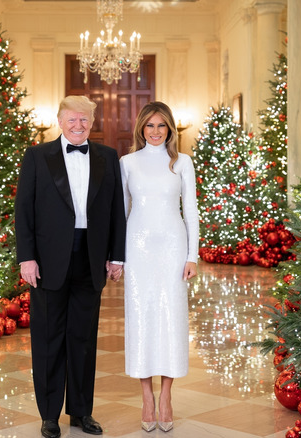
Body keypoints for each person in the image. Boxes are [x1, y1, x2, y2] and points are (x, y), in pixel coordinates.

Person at [15, 95, 127, 438]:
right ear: (60, 121)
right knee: (49, 339)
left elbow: (116, 210)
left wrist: (117, 254)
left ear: (92, 123)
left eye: (84, 120)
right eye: (71, 120)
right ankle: (49, 416)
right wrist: (26, 257)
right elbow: (24, 210)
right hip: (47, 261)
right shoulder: (37, 156)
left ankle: (81, 412)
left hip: (91, 258)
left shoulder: (109, 157)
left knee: (82, 339)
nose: (78, 126)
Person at [119, 101, 198, 433]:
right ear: (141, 128)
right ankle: (146, 397)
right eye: (149, 126)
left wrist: (192, 255)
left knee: (170, 319)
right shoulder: (126, 163)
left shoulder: (182, 163)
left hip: (173, 248)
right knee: (141, 319)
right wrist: (117, 257)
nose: (155, 132)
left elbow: (191, 211)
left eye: (161, 126)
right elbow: (120, 213)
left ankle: (166, 396)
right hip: (137, 249)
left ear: (170, 129)